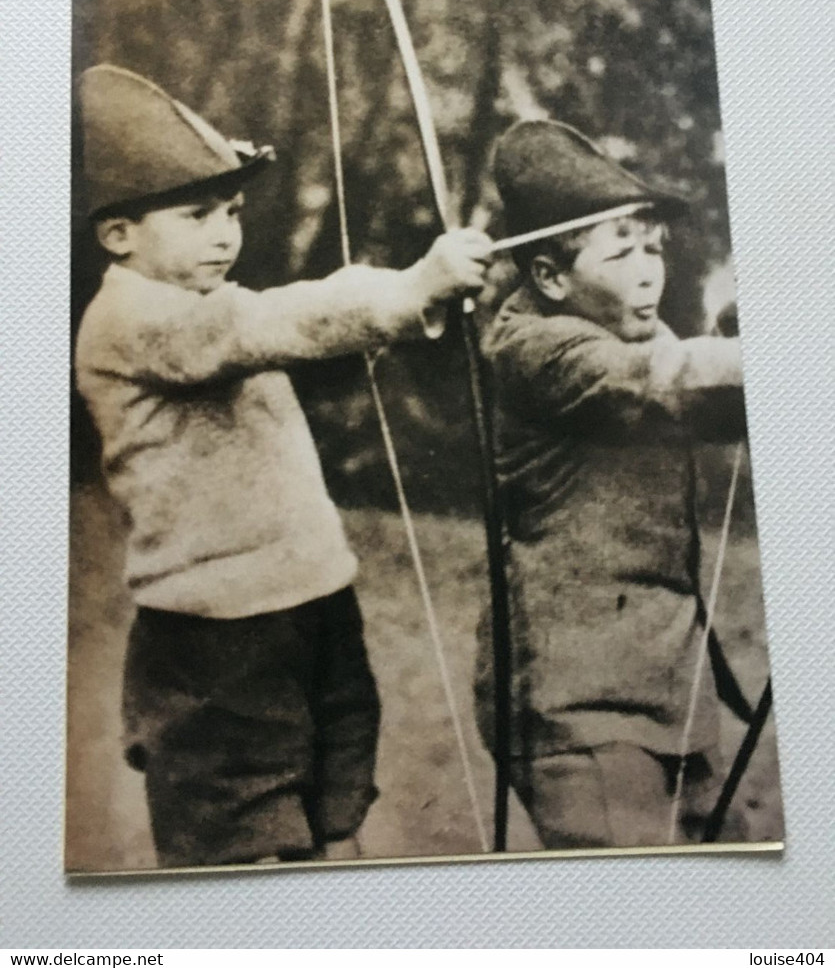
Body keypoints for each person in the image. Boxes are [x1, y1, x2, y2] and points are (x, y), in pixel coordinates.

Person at [74, 64, 492, 867]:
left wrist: (420, 305)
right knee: (238, 832)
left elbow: (295, 341)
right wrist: (409, 287)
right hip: (217, 636)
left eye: (231, 212)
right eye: (197, 215)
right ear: (119, 235)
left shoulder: (203, 312)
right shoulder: (130, 319)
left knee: (332, 806)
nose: (226, 234)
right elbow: (263, 325)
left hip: (312, 599)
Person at [476, 119, 750, 849]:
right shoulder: (537, 349)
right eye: (621, 252)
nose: (646, 271)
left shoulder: (638, 333)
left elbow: (711, 385)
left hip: (669, 690)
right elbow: (664, 385)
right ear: (548, 276)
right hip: (575, 708)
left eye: (653, 248)